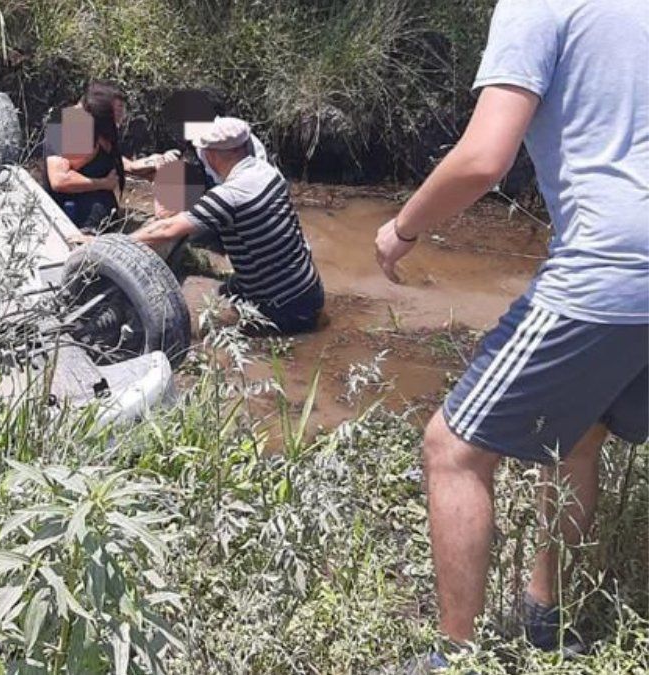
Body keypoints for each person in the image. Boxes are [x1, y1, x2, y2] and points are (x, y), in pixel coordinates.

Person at [371, 0, 648, 669]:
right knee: (579, 433)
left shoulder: (536, 5)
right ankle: (544, 617)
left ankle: (455, 658)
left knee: (452, 449)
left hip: (611, 264)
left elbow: (483, 158)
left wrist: (402, 229)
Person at [132, 117, 324, 335]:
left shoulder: (230, 195)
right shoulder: (269, 173)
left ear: (211, 156)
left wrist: (114, 244)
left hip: (283, 311)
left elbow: (165, 229)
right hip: (311, 291)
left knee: (196, 311)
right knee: (225, 287)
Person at [44, 81, 178, 232]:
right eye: (117, 110)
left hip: (103, 216)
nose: (120, 116)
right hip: (72, 218)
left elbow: (107, 160)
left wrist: (143, 164)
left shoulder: (100, 128)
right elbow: (59, 180)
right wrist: (102, 183)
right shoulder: (68, 125)